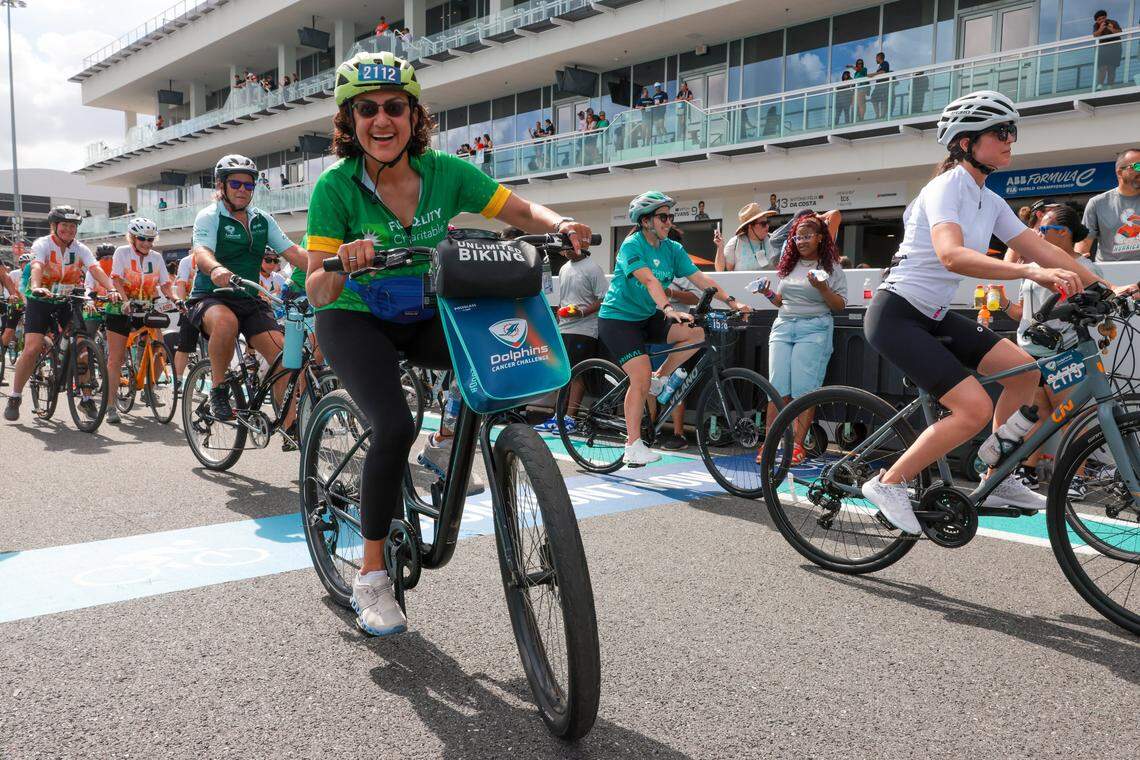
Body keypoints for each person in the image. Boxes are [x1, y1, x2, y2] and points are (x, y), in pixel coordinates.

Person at [301, 50, 594, 637]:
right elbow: (315, 287)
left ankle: (449, 439)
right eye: (366, 110)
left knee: (491, 353)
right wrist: (346, 262)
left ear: (413, 116)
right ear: (349, 121)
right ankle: (372, 574)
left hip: (422, 310)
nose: (381, 121)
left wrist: (560, 224)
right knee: (392, 426)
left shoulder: (446, 173)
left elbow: (519, 208)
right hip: (354, 316)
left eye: (393, 108)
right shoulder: (335, 188)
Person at [861, 90, 1106, 534]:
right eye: (1002, 132)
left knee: (1026, 373)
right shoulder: (945, 187)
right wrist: (1031, 271)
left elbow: (1042, 248)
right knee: (971, 409)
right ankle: (889, 482)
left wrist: (1109, 288)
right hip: (897, 313)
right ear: (966, 142)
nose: (1012, 139)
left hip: (932, 314)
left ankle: (999, 475)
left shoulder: (988, 199)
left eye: (1013, 131)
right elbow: (951, 255)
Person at [597, 191, 749, 466]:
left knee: (697, 332)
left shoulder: (672, 249)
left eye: (671, 217)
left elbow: (700, 278)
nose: (669, 222)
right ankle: (632, 445)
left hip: (646, 316)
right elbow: (650, 281)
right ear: (646, 222)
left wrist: (732, 301)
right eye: (663, 217)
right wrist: (668, 309)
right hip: (618, 319)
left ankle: (660, 377)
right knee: (639, 376)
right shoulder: (632, 245)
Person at [187, 154, 308, 429]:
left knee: (284, 357)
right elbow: (202, 251)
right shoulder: (209, 216)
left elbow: (292, 252)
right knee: (226, 321)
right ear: (221, 185)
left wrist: (328, 267)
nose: (243, 190)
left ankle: (290, 428)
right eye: (236, 184)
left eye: (249, 185)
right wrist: (216, 269)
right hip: (212, 295)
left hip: (249, 297)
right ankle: (218, 388)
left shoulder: (262, 220)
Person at [996, 204, 1102, 496]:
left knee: (1070, 414)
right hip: (1029, 351)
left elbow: (1091, 306)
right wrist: (1002, 303)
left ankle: (1075, 478)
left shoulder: (1085, 267)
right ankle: (1026, 472)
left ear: (1064, 233)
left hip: (1063, 352)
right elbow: (1022, 314)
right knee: (1036, 413)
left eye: (1044, 229)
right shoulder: (1034, 265)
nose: (1037, 234)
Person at [5, 206, 120, 421]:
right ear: (54, 226)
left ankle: (86, 399)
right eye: (65, 225)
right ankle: (15, 396)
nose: (69, 230)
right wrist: (37, 285)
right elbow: (37, 265)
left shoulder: (80, 248)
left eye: (73, 226)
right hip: (41, 299)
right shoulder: (43, 244)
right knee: (32, 348)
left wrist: (112, 289)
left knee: (82, 347)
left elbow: (95, 270)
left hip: (66, 300)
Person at [755, 212, 848, 464]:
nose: (801, 241)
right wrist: (768, 294)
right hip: (783, 325)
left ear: (820, 238)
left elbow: (839, 305)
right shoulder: (788, 264)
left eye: (807, 236)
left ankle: (796, 445)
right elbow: (781, 301)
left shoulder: (831, 268)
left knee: (804, 390)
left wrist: (823, 289)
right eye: (797, 237)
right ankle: (770, 442)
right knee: (777, 388)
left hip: (814, 329)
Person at [104, 217, 174, 424]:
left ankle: (149, 389)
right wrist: (124, 300)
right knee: (115, 359)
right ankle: (110, 406)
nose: (147, 243)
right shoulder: (122, 253)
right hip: (120, 310)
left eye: (151, 239)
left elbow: (165, 284)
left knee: (160, 350)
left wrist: (176, 300)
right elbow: (116, 279)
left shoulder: (157, 257)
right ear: (133, 238)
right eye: (142, 238)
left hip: (146, 309)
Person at [534, 241, 608, 433]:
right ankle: (558, 416)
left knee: (576, 374)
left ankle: (570, 419)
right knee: (562, 374)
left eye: (567, 248)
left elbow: (604, 298)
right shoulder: (566, 267)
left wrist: (582, 312)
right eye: (562, 248)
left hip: (584, 329)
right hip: (564, 327)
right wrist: (562, 310)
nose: (564, 252)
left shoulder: (593, 268)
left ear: (580, 247)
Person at [1077, 148, 1140, 262]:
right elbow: (1084, 243)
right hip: (1110, 274)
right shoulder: (1097, 203)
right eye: (1137, 166)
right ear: (1120, 172)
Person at [715, 202, 777, 271]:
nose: (767, 226)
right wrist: (720, 247)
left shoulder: (774, 240)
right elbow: (720, 270)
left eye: (768, 222)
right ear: (750, 226)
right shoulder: (735, 243)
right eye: (763, 224)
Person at [1093, 10, 1123, 88]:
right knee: (1102, 67)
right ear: (1097, 21)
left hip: (1115, 48)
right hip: (1103, 49)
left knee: (1112, 67)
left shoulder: (1113, 22)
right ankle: (1100, 85)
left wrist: (1111, 29)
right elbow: (1095, 35)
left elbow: (1119, 32)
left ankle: (1110, 85)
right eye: (1099, 19)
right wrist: (1101, 29)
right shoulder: (1096, 25)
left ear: (1106, 17)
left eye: (1103, 18)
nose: (1102, 20)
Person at [870, 52, 891, 119]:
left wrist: (873, 74)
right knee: (873, 98)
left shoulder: (885, 63)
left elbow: (883, 71)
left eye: (876, 58)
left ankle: (882, 115)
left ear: (879, 57)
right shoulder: (880, 65)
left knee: (883, 99)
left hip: (883, 85)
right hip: (879, 86)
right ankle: (877, 115)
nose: (876, 59)